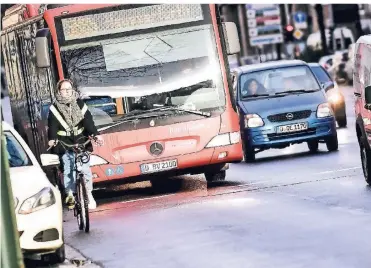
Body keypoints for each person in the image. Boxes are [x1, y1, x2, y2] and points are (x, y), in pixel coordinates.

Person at [47, 79, 103, 210]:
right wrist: (53, 139)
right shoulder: (54, 108)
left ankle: (89, 195)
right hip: (64, 143)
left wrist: (95, 135)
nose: (66, 92)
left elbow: (88, 122)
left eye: (68, 89)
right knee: (68, 167)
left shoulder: (80, 104)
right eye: (63, 90)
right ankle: (70, 194)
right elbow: (52, 126)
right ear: (58, 91)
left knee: (85, 169)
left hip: (81, 141)